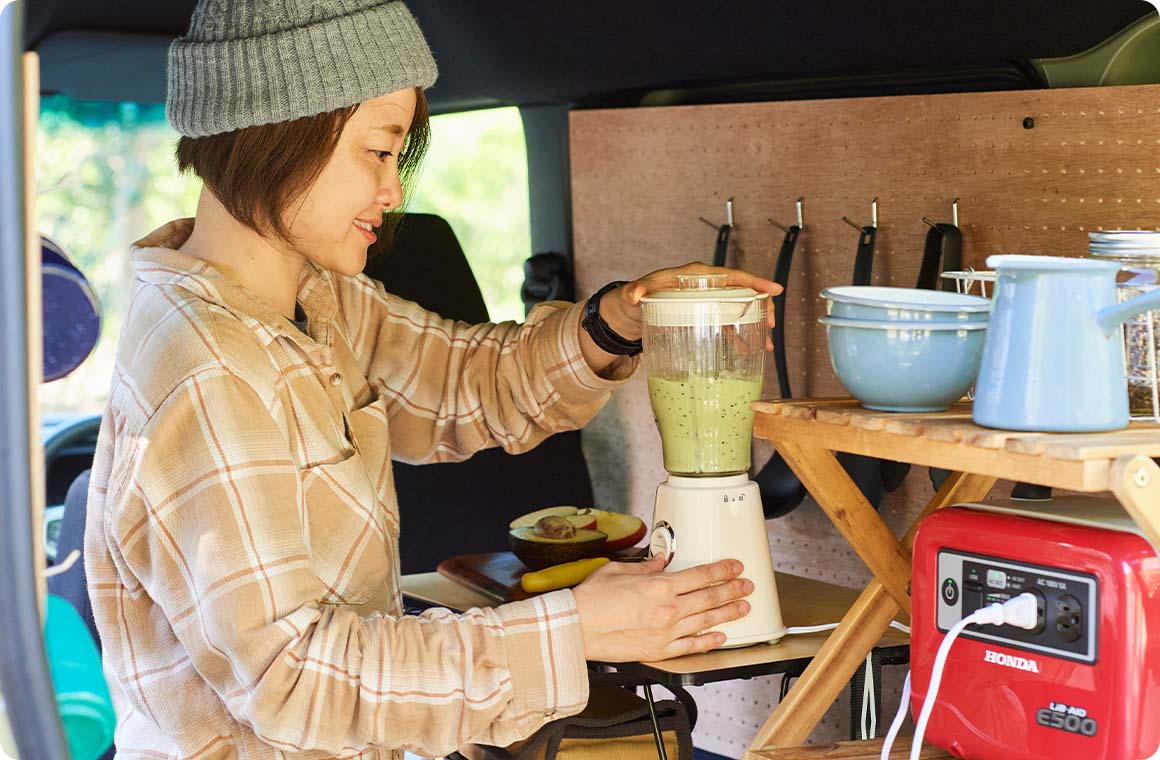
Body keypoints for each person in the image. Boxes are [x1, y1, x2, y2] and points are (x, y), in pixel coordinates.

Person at [83, 1, 782, 758]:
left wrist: (613, 321)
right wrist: (574, 630)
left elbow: (463, 383)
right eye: (378, 153)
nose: (394, 192)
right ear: (277, 132)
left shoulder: (316, 300)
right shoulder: (208, 369)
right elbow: (295, 679)